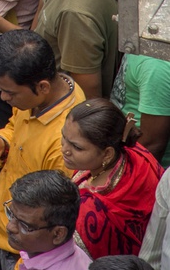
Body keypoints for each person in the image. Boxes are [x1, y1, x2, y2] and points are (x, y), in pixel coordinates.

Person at [0, 28, 85, 270]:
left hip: (26, 254)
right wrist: (3, 142)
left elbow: (54, 220)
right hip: (10, 242)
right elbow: (16, 126)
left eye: (10, 93)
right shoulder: (42, 96)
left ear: (42, 86)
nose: (3, 98)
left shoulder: (63, 146)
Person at [61, 99, 161, 259]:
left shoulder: (93, 214)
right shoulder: (133, 152)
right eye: (63, 137)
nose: (64, 149)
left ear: (107, 153)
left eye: (76, 147)